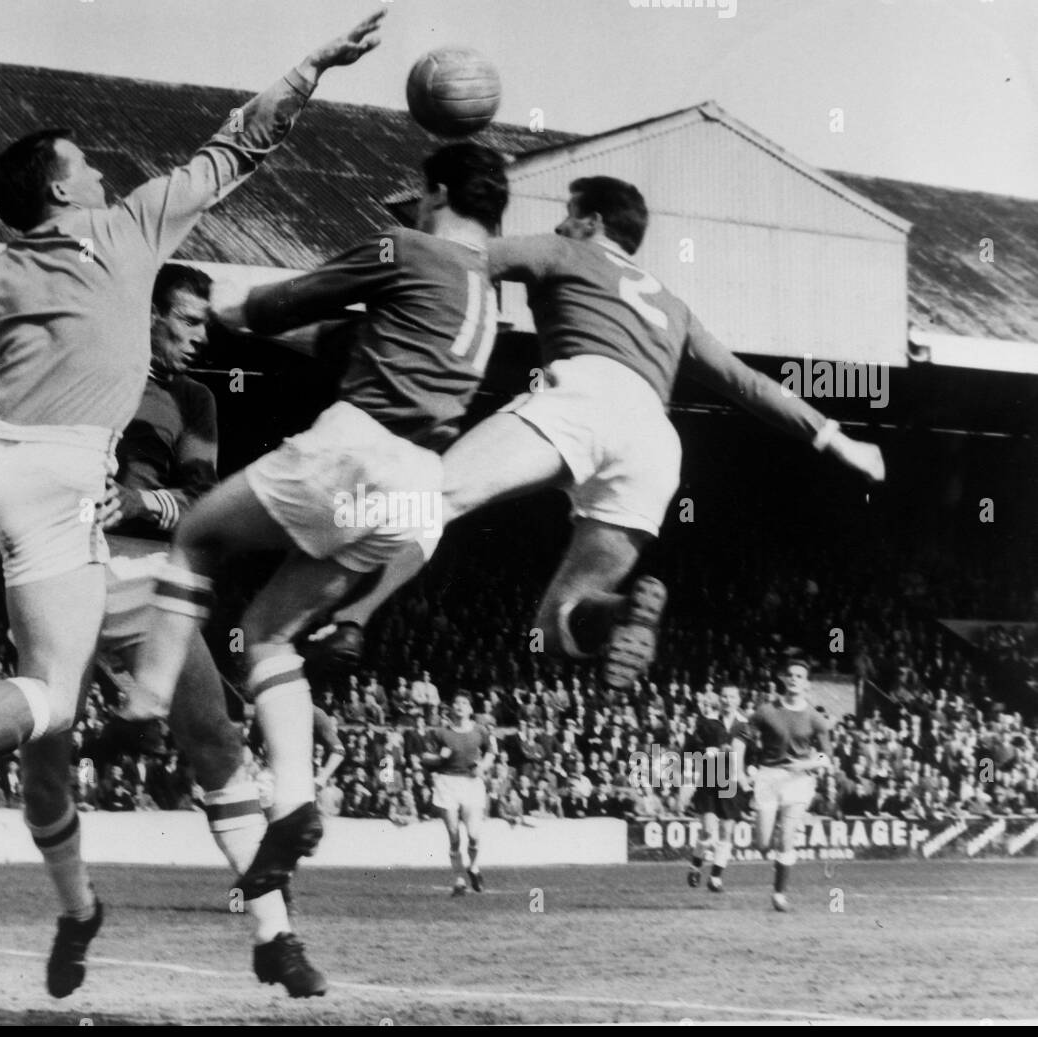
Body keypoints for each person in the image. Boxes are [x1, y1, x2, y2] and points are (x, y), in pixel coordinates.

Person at [0, 10, 384, 999]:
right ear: (64, 189)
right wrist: (311, 64)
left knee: (134, 732)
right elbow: (238, 146)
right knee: (52, 707)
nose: (103, 173)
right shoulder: (128, 226)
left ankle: (257, 933)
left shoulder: (1, 274)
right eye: (87, 165)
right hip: (62, 490)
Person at [114, 143, 509, 914]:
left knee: (196, 532)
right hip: (417, 483)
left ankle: (141, 709)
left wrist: (222, 310)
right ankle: (293, 802)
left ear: (434, 190)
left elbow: (276, 307)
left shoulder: (405, 248)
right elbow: (341, 344)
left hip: (357, 448)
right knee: (267, 634)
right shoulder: (485, 291)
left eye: (416, 196)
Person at [315, 176, 886, 682]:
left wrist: (352, 291)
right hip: (656, 446)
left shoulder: (564, 250)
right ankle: (615, 610)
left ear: (591, 221)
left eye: (568, 213)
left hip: (584, 399)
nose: (560, 222)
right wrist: (837, 439)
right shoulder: (674, 305)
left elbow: (453, 259)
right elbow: (745, 383)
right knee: (559, 623)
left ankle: (348, 623)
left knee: (429, 500)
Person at [93, 262, 324, 996]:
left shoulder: (192, 399)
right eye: (188, 320)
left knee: (217, 743)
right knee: (33, 726)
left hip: (136, 579)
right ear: (149, 313)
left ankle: (275, 937)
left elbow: (195, 499)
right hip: (54, 566)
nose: (199, 336)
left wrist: (134, 504)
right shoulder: (88, 368)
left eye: (204, 323)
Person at [745, 660, 832, 912]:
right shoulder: (765, 711)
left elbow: (827, 757)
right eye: (790, 675)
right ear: (783, 679)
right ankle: (772, 842)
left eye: (800, 676)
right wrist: (742, 765)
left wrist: (806, 765)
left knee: (787, 840)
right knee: (762, 844)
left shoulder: (816, 718)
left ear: (806, 683)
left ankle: (779, 893)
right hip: (768, 777)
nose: (794, 679)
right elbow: (744, 736)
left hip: (799, 781)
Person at [421, 691, 495, 895]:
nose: (460, 706)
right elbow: (425, 757)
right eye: (456, 703)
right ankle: (459, 881)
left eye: (464, 702)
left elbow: (490, 752)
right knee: (454, 836)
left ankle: (473, 867)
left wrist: (483, 767)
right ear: (451, 708)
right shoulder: (439, 733)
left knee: (473, 835)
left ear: (470, 709)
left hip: (472, 783)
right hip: (447, 783)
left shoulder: (480, 730)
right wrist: (439, 757)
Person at [684, 684, 749, 893]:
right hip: (709, 779)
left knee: (726, 831)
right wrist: (708, 752)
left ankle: (715, 878)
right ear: (719, 699)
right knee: (708, 831)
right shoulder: (708, 721)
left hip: (730, 782)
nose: (727, 700)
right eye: (724, 696)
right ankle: (696, 866)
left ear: (738, 700)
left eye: (732, 696)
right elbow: (691, 748)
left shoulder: (744, 725)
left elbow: (752, 753)